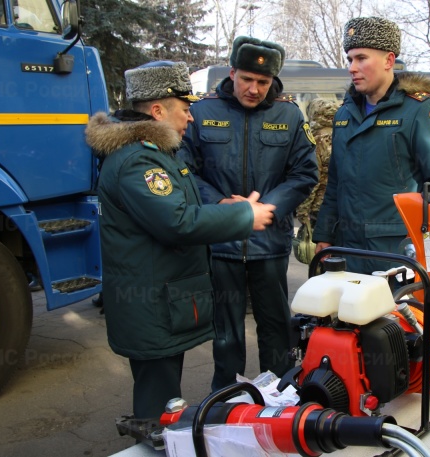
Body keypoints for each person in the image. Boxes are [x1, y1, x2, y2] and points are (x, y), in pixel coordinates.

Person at [85, 61, 276, 419]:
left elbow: (176, 205)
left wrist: (224, 205)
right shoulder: (139, 160)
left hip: (161, 302)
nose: (191, 119)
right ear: (157, 111)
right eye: (185, 110)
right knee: (158, 407)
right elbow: (176, 222)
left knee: (165, 399)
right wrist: (245, 216)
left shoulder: (154, 153)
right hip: (150, 305)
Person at [178, 37, 318, 391]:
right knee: (225, 330)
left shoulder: (288, 115)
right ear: (232, 73)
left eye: (263, 82)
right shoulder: (203, 111)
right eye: (246, 79)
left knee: (275, 326)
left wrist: (265, 208)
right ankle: (227, 394)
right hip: (220, 240)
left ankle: (282, 392)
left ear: (273, 81)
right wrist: (220, 204)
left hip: (269, 242)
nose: (254, 89)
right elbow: (183, 169)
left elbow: (305, 173)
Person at [312, 16, 430, 274]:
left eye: (361, 58)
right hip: (348, 249)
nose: (352, 67)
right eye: (350, 59)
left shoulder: (420, 111)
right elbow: (335, 184)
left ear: (389, 61)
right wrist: (325, 235)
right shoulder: (343, 116)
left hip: (398, 254)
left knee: (400, 315)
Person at [293, 98, 340, 264]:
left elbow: (312, 180)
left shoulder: (314, 139)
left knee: (319, 255)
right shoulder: (344, 134)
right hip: (341, 207)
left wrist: (303, 212)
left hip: (320, 210)